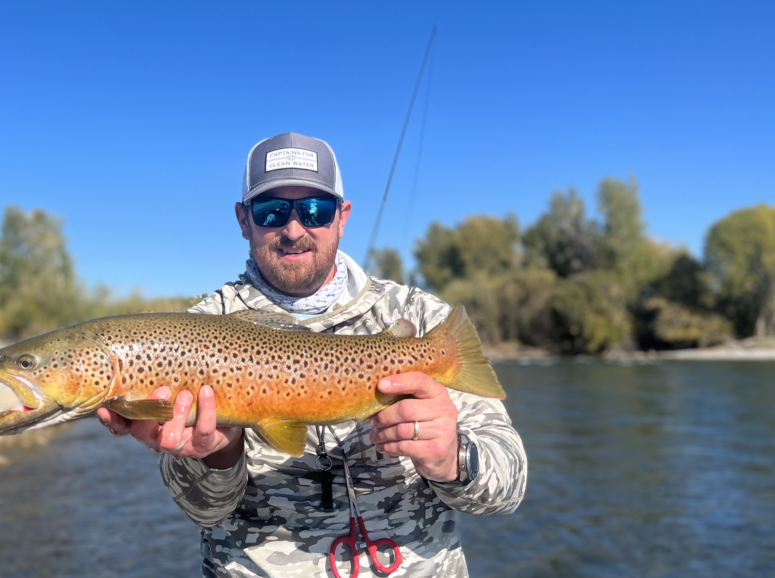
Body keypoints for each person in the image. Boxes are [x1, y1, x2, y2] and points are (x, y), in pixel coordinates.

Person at [98, 132, 527, 578]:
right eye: (272, 211)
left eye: (315, 210)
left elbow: (508, 490)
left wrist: (453, 456)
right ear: (244, 220)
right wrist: (217, 457)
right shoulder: (195, 334)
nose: (294, 229)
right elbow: (203, 512)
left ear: (342, 217)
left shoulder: (418, 320)